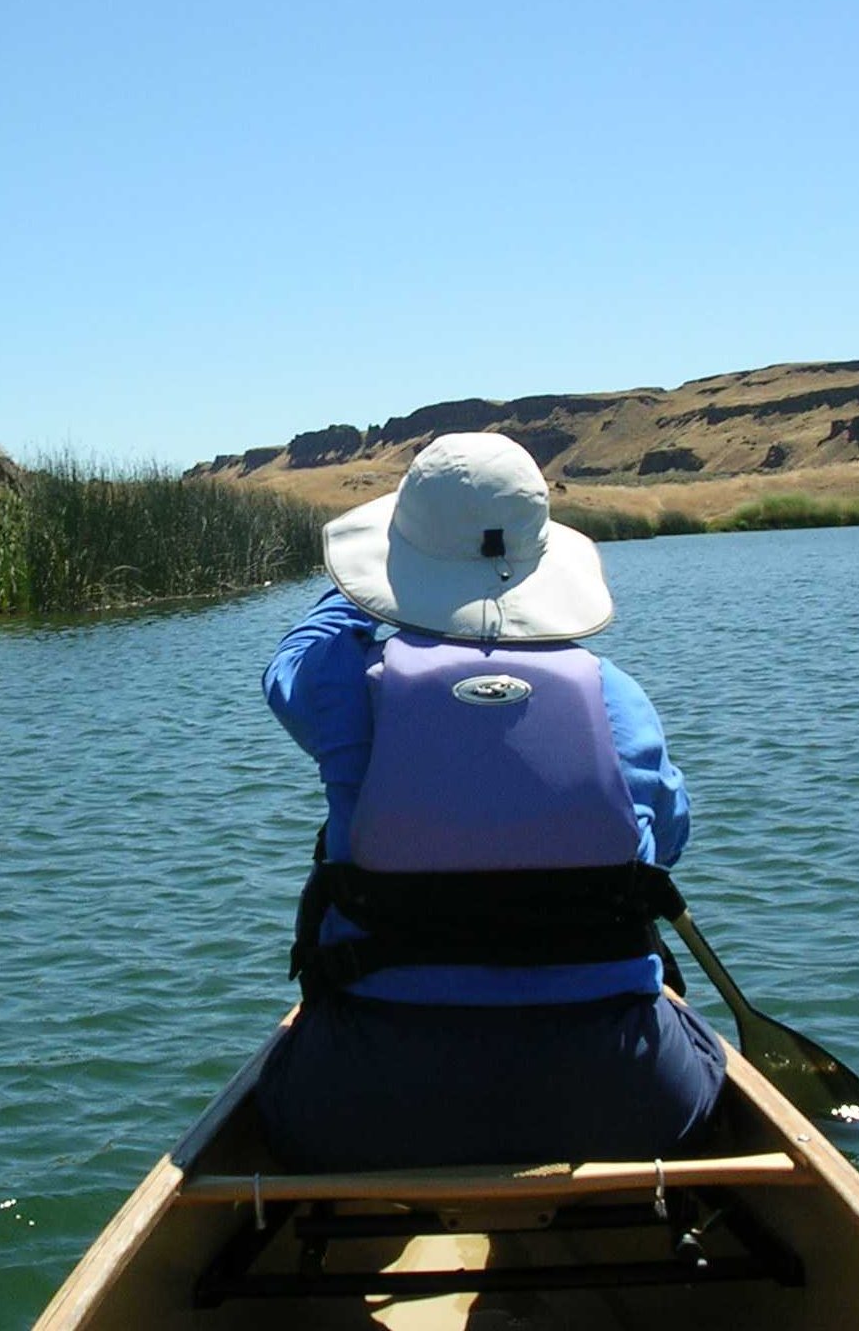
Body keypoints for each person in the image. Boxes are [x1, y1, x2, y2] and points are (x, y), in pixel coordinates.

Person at [256, 432, 725, 1171]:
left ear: (392, 569)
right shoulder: (615, 699)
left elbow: (293, 660)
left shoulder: (342, 690)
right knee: (695, 1043)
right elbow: (667, 841)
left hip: (370, 1101)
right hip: (623, 1096)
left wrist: (358, 596)